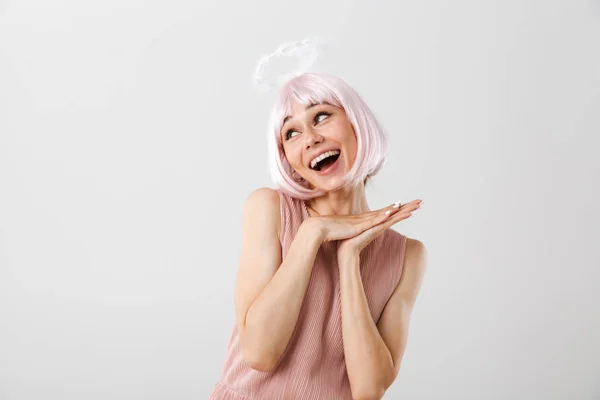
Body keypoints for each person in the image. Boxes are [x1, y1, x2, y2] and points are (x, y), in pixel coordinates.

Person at [209, 69, 427, 399]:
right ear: (287, 159)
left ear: (357, 122)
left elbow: (369, 390)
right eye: (291, 133)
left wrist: (349, 258)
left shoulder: (406, 255)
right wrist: (313, 233)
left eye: (321, 116)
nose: (310, 138)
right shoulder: (269, 209)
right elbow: (260, 354)